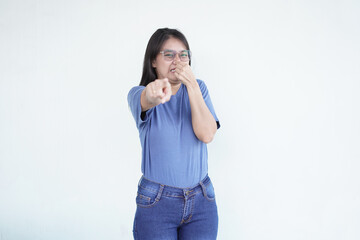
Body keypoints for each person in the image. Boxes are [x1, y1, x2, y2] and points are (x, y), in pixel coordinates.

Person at [127, 27, 220, 240]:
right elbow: (147, 98)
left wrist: (192, 86)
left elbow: (206, 135)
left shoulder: (199, 89)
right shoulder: (138, 94)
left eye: (183, 55)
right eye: (168, 55)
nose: (177, 61)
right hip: (157, 202)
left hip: (201, 199)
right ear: (153, 61)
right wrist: (154, 92)